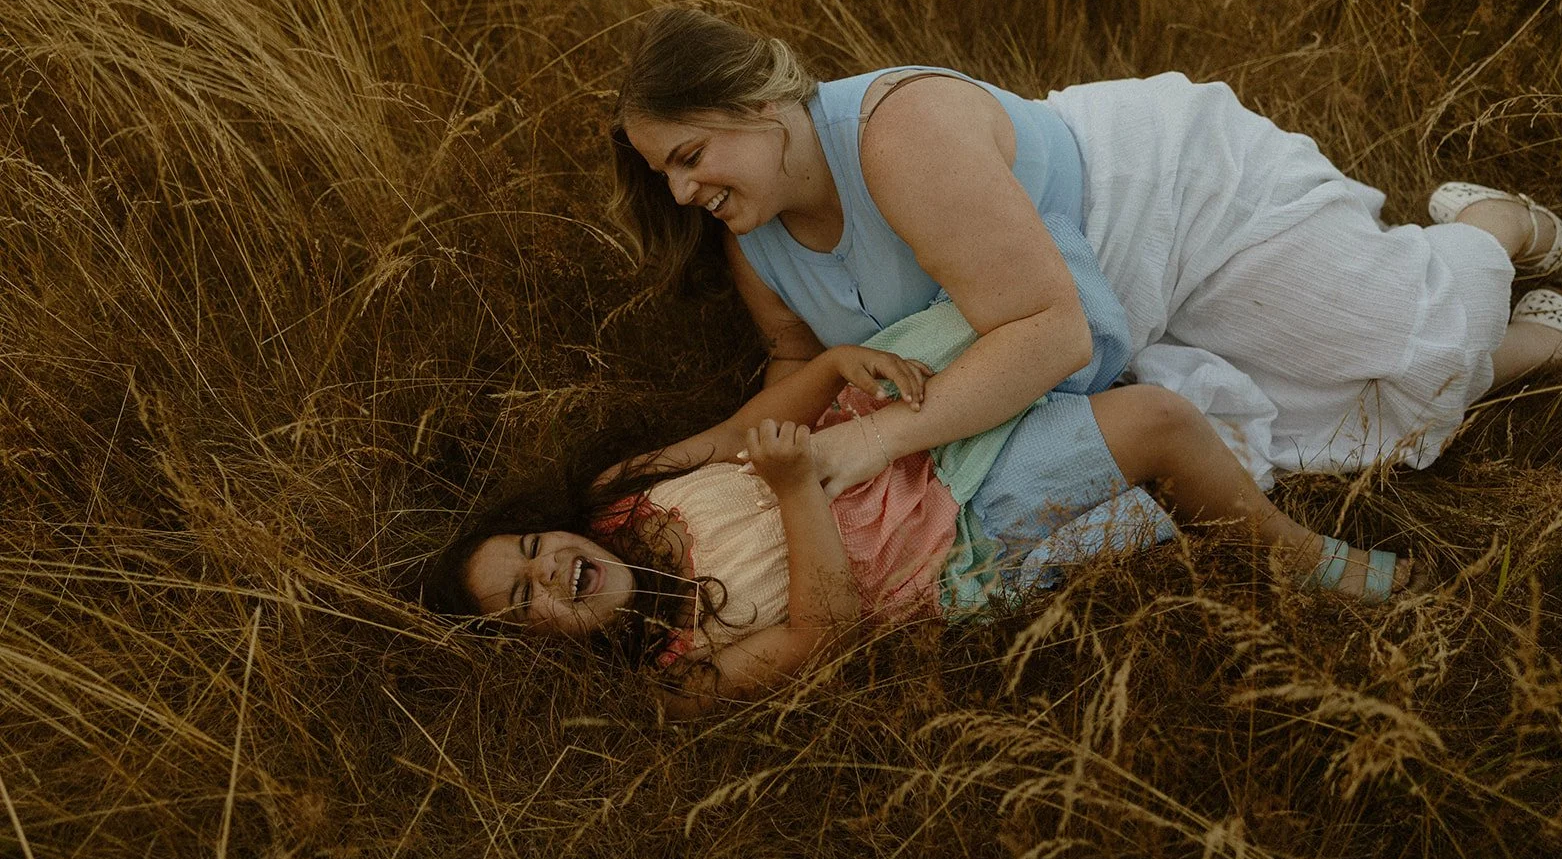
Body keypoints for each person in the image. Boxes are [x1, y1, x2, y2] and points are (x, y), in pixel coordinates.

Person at [607, 7, 1562, 519]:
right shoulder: (757, 231)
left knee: (1399, 333)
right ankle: (1539, 338)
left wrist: (883, 441)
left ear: (756, 98)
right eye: (666, 176)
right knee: (1350, 428)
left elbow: (1050, 329)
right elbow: (794, 366)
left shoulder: (896, 137)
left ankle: (1492, 228)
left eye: (690, 157)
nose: (684, 194)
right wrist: (697, 454)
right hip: (1084, 319)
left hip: (1166, 201)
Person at [422, 303, 1417, 720]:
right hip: (950, 539)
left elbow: (743, 426)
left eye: (526, 548)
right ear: (534, 646)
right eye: (523, 597)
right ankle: (1304, 556)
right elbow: (826, 628)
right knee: (1157, 420)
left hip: (893, 446)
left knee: (1028, 318)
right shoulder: (681, 674)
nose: (547, 566)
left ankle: (1265, 324)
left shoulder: (620, 492)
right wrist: (794, 491)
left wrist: (824, 370)